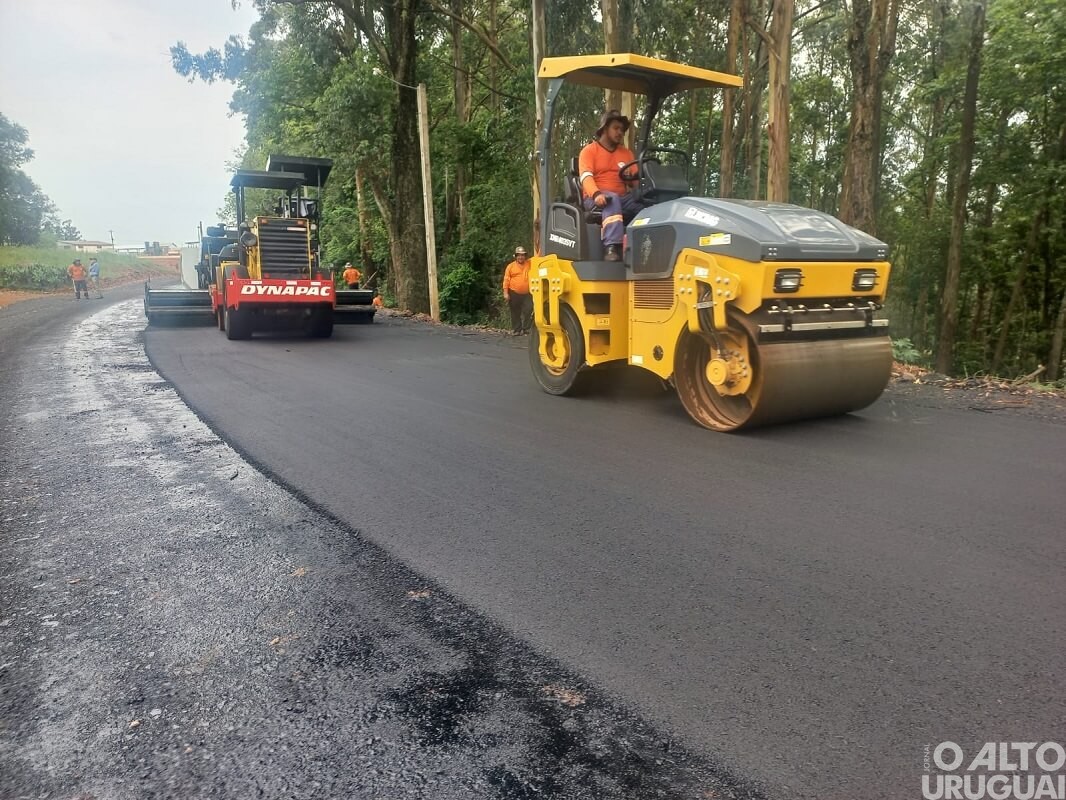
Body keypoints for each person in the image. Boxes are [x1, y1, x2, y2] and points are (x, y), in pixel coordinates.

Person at [578, 109, 646, 262]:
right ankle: (611, 246)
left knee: (643, 205)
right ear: (604, 129)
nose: (620, 132)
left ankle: (643, 246)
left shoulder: (627, 154)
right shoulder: (589, 151)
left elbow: (635, 182)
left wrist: (632, 181)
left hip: (622, 198)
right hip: (594, 198)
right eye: (616, 128)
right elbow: (586, 177)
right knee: (612, 199)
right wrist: (596, 194)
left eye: (622, 130)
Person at [502, 246, 532, 335]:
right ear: (516, 256)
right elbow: (506, 280)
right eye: (519, 255)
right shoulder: (510, 266)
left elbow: (538, 258)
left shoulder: (530, 263)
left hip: (527, 293)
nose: (520, 257)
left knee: (529, 309)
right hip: (514, 292)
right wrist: (505, 293)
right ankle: (517, 330)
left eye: (522, 255)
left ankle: (526, 328)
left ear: (525, 256)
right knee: (515, 312)